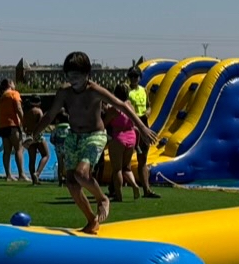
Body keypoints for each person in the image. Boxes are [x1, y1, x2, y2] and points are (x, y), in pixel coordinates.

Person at [32, 51, 157, 234]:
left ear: (87, 74)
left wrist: (142, 128)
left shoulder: (95, 91)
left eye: (77, 76)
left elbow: (122, 106)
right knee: (71, 184)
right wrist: (35, 133)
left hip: (95, 135)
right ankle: (91, 220)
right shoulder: (65, 93)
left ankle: (102, 198)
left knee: (82, 173)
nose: (73, 80)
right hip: (74, 137)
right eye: (69, 76)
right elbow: (50, 115)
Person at [104, 83, 143, 202]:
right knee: (127, 167)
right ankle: (134, 185)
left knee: (117, 169)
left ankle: (118, 195)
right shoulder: (130, 106)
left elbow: (104, 122)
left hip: (118, 137)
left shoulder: (114, 108)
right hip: (131, 137)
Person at [127, 67, 160, 198]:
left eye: (136, 76)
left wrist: (148, 112)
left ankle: (146, 189)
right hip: (131, 124)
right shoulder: (127, 90)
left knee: (143, 158)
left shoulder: (143, 90)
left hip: (143, 122)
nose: (133, 79)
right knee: (126, 158)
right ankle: (114, 187)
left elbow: (148, 106)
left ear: (139, 77)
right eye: (131, 76)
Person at [0, 79, 29, 182]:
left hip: (2, 126)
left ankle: (8, 175)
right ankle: (21, 174)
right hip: (12, 125)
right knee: (19, 149)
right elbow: (18, 109)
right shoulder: (14, 94)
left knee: (7, 151)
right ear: (10, 84)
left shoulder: (1, 98)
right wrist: (24, 122)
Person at [22, 95, 50, 185]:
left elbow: (24, 125)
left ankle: (34, 181)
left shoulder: (27, 112)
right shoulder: (38, 111)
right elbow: (41, 123)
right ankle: (37, 173)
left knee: (32, 159)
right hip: (38, 135)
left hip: (29, 135)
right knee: (46, 155)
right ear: (39, 102)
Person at [49, 110, 71, 186]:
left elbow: (51, 139)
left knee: (60, 164)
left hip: (58, 148)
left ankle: (60, 181)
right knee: (68, 165)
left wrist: (56, 144)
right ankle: (68, 180)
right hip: (67, 147)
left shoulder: (56, 129)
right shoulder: (69, 128)